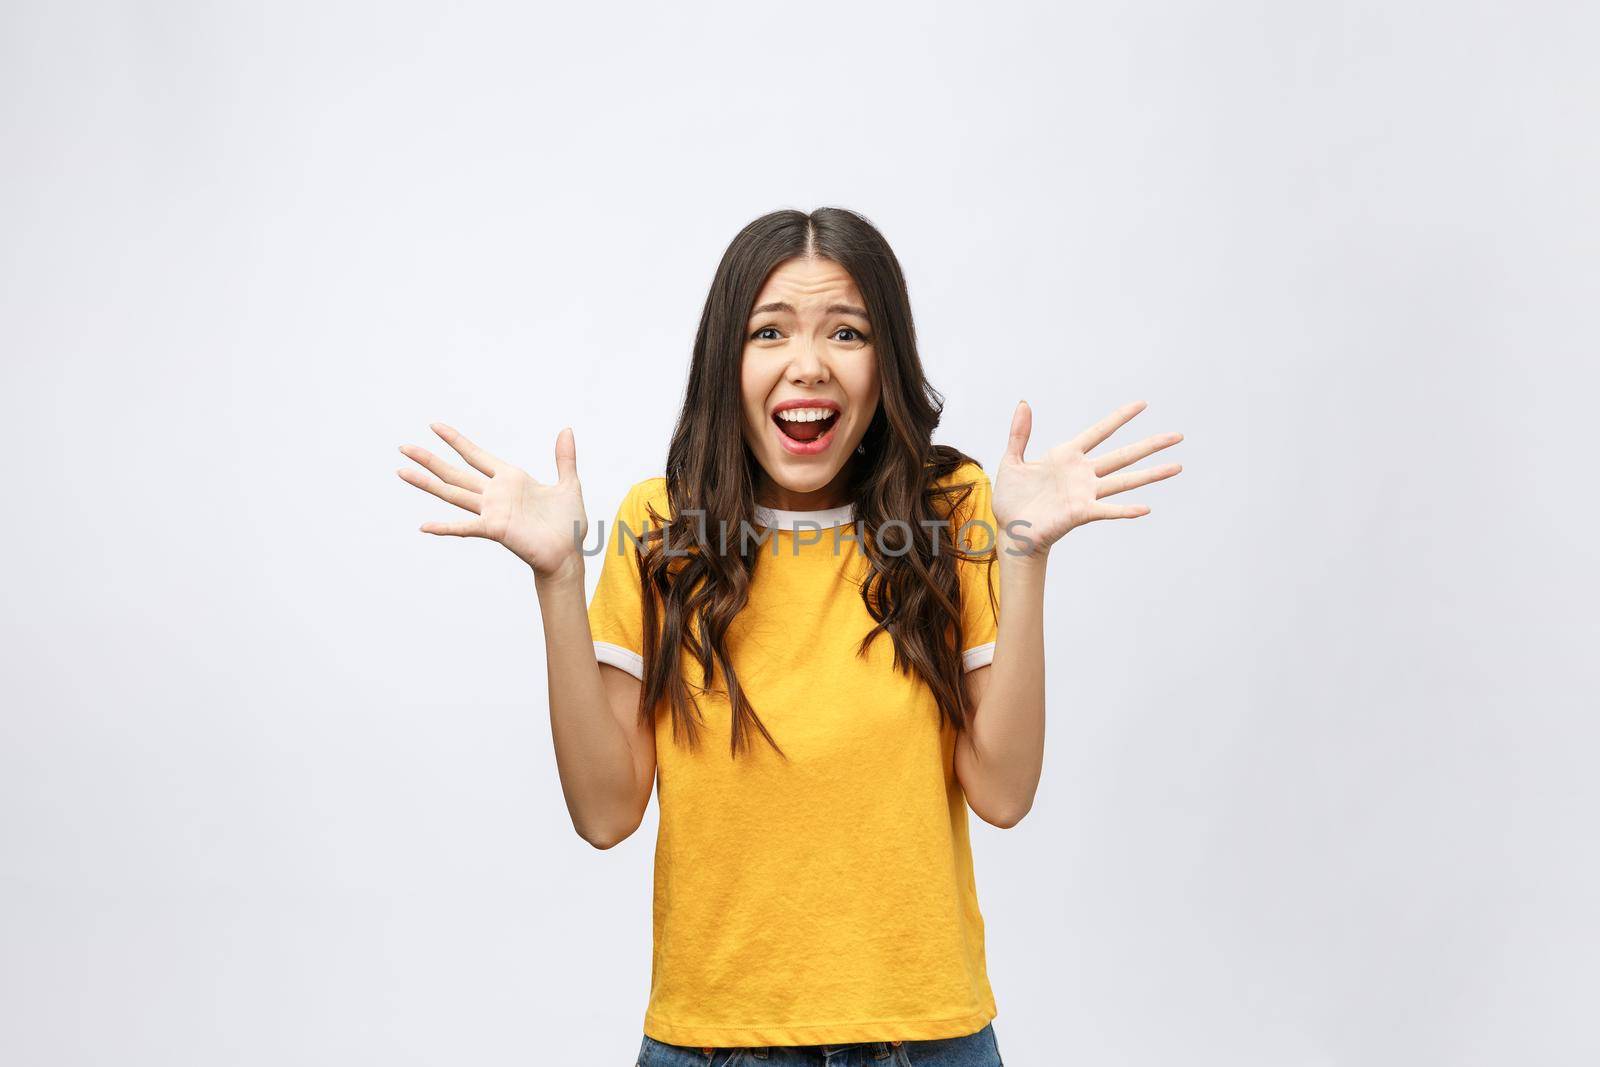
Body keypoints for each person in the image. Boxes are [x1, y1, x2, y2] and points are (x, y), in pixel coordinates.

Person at [396, 207, 1184, 1066]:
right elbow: (604, 811)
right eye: (769, 331)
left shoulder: (951, 510)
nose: (807, 365)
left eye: (845, 331)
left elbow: (1003, 793)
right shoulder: (660, 527)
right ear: (726, 362)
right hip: (713, 1047)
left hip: (924, 1040)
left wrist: (1026, 557)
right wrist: (557, 580)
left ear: (885, 360)